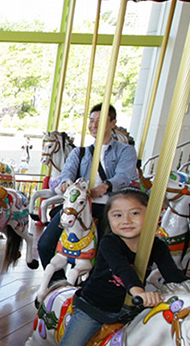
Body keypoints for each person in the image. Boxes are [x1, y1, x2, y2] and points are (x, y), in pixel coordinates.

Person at [25, 188, 188, 346]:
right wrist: (137, 290)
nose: (126, 220)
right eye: (118, 215)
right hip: (95, 307)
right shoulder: (111, 243)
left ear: (153, 215)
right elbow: (121, 268)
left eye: (134, 213)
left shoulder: (157, 246)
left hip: (131, 311)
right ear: (109, 220)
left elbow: (173, 275)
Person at [37, 103, 138, 269]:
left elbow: (123, 176)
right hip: (80, 205)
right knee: (45, 244)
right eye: (91, 121)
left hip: (107, 206)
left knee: (106, 253)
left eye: (100, 120)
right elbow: (67, 171)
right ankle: (59, 286)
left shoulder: (125, 151)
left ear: (113, 123)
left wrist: (105, 186)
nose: (94, 125)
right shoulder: (80, 152)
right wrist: (66, 183)